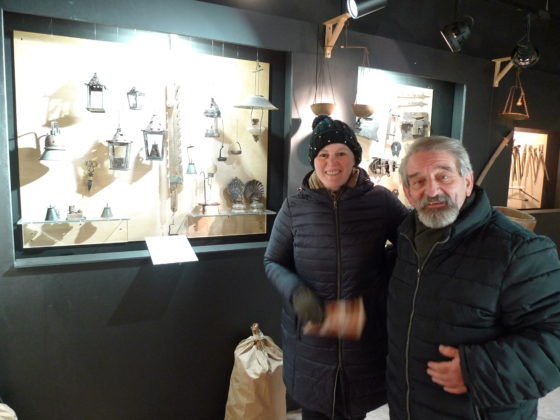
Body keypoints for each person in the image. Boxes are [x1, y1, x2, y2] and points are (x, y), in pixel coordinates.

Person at [386, 136, 560, 419]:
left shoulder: (519, 250)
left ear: (468, 182)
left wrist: (480, 370)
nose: (432, 189)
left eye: (443, 176)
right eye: (418, 181)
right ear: (407, 191)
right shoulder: (406, 239)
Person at [264, 115, 409, 420]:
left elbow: (411, 245)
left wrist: (381, 284)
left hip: (361, 336)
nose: (332, 162)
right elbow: (273, 260)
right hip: (310, 337)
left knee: (354, 411)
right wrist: (298, 294)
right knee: (315, 411)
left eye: (341, 153)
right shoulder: (294, 207)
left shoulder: (380, 201)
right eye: (323, 155)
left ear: (354, 158)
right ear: (313, 161)